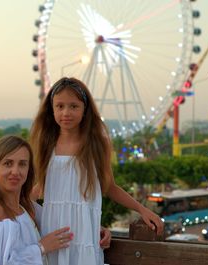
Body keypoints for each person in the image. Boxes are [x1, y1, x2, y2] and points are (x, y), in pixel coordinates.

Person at [30, 77, 164, 265]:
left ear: (85, 109)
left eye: (74, 106)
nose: (66, 112)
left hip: (84, 235)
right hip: (53, 233)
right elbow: (41, 188)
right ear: (51, 109)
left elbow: (109, 186)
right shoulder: (46, 143)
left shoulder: (96, 143)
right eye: (59, 106)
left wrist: (142, 209)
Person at [0, 135, 73, 265]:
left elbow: (60, 222)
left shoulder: (25, 207)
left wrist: (98, 229)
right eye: (8, 163)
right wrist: (41, 248)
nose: (15, 171)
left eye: (22, 164)